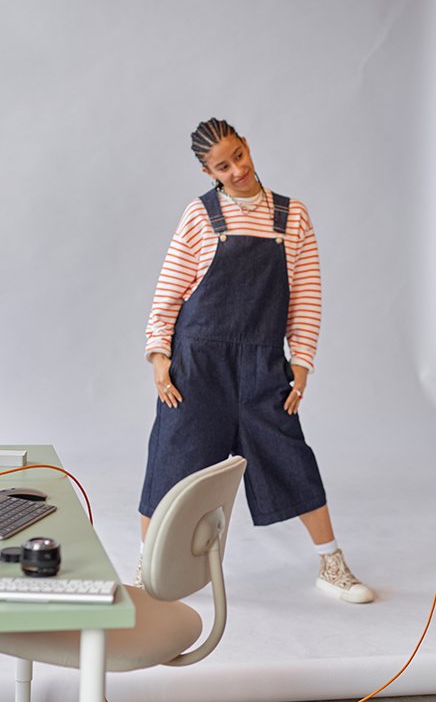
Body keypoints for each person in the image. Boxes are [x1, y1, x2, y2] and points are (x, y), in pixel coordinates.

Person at [139, 117, 374, 604]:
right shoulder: (200, 216)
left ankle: (331, 564)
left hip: (263, 366)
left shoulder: (293, 216)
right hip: (197, 368)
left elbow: (305, 297)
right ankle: (148, 570)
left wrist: (301, 366)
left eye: (238, 156)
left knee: (293, 461)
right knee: (170, 464)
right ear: (208, 172)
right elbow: (169, 291)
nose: (236, 170)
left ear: (246, 145)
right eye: (222, 167)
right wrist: (160, 358)